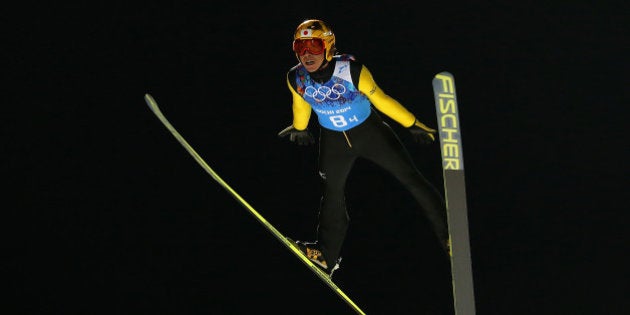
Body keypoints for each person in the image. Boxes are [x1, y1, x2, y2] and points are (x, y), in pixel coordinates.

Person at [279, 19, 450, 277]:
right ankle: (327, 256)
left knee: (411, 179)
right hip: (334, 141)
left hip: (370, 134)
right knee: (332, 195)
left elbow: (380, 98)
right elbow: (301, 103)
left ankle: (449, 236)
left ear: (327, 46)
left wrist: (412, 123)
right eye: (300, 47)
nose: (307, 54)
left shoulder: (351, 70)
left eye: (313, 45)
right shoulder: (296, 77)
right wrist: (300, 127)